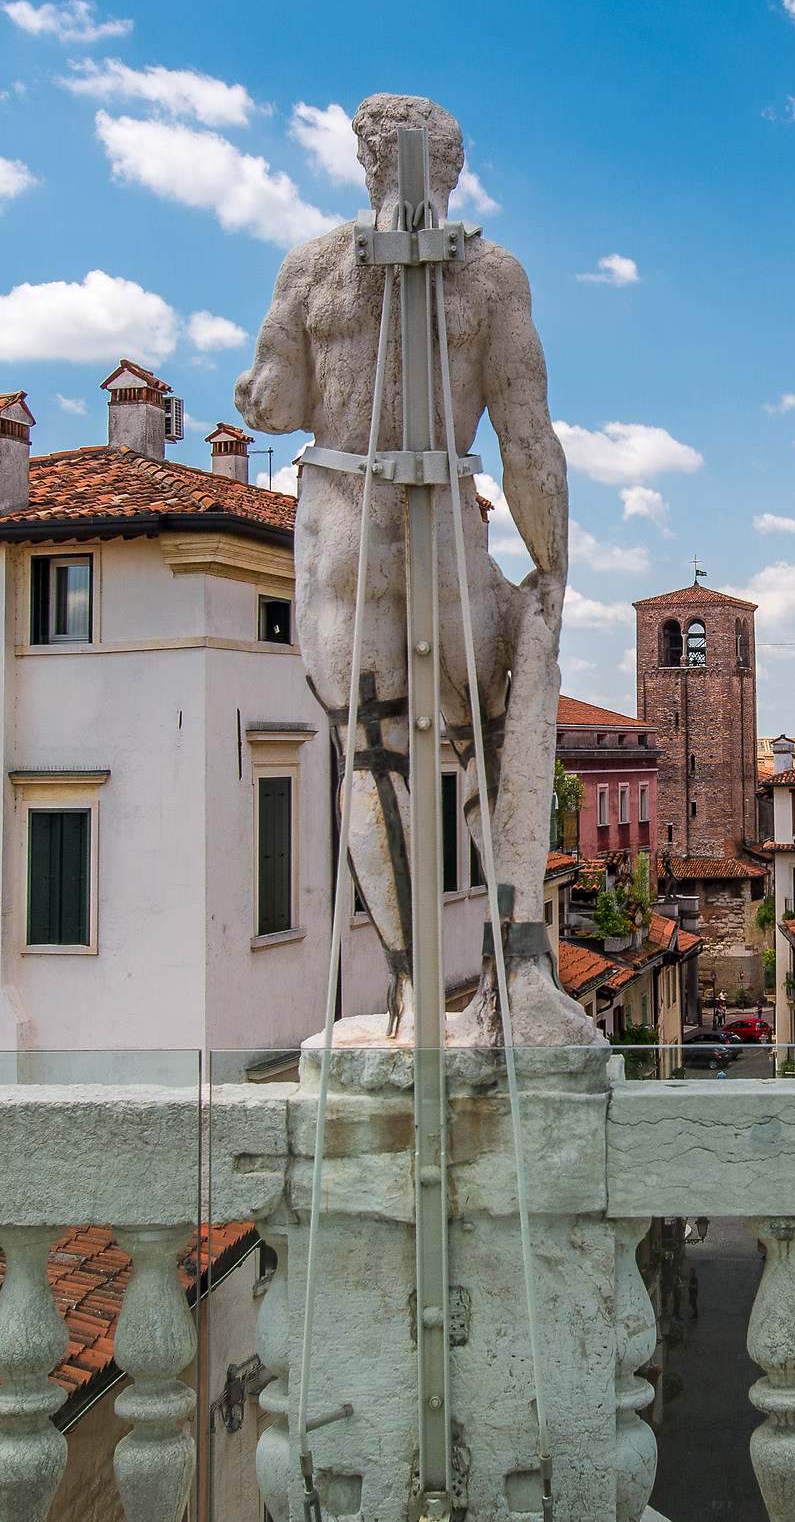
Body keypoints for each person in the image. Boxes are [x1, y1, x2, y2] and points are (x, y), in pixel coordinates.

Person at [237, 95, 595, 1047]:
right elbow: (528, 439)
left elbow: (274, 403)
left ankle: (408, 1003)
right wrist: (551, 567)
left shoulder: (312, 266)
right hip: (449, 546)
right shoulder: (493, 278)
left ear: (367, 163)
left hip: (345, 541)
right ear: (453, 171)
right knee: (490, 731)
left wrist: (262, 386)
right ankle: (518, 965)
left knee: (372, 762)